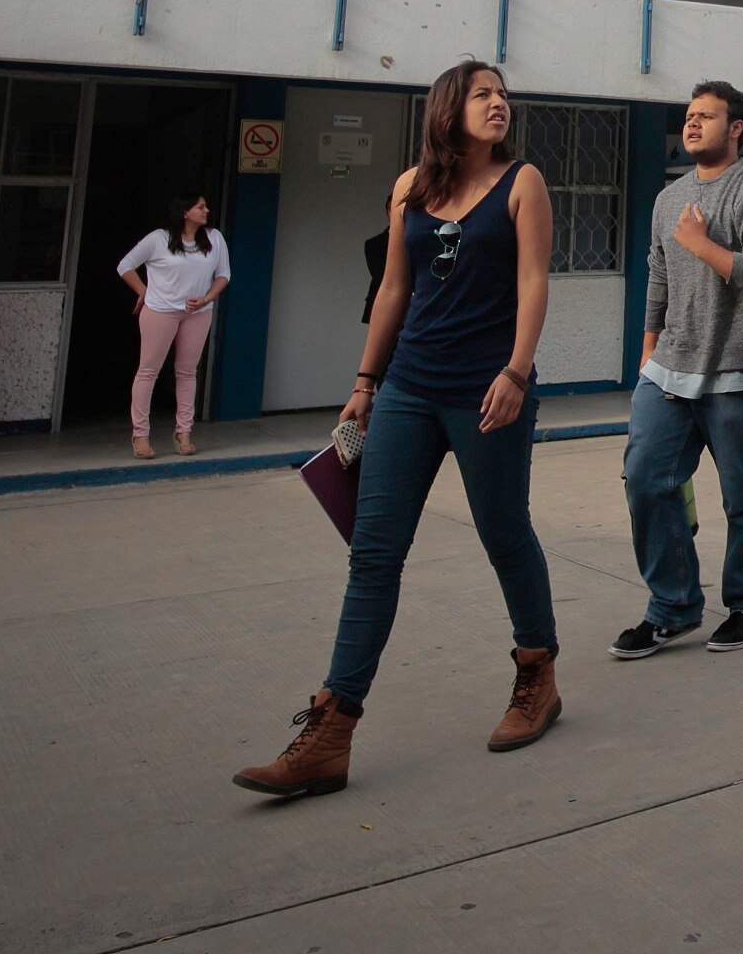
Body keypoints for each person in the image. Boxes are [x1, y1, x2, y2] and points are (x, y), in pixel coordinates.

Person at [234, 59, 562, 797]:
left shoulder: (523, 183)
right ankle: (331, 732)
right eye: (483, 94)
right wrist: (364, 383)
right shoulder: (410, 187)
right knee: (374, 555)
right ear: (448, 108)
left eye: (504, 94)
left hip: (487, 390)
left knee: (504, 534)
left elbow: (534, 281)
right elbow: (393, 287)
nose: (500, 103)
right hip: (408, 389)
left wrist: (516, 373)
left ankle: (537, 675)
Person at [613, 79, 743, 659]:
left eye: (707, 115)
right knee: (647, 479)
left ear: (736, 127)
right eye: (689, 115)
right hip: (670, 365)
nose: (692, 123)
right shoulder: (668, 198)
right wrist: (647, 350)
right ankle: (672, 608)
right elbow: (659, 275)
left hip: (740, 368)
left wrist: (702, 244)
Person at [117, 193, 230, 458]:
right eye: (200, 207)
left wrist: (206, 299)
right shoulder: (158, 239)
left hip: (198, 313)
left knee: (187, 372)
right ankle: (140, 435)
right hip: (160, 311)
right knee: (148, 371)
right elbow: (125, 266)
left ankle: (184, 432)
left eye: (206, 206)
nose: (206, 210)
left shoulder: (214, 238)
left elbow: (224, 274)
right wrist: (145, 292)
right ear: (184, 212)